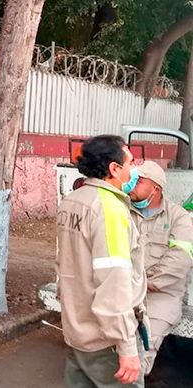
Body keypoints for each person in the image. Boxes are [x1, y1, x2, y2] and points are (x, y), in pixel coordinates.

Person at [56, 135, 147, 387]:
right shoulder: (110, 210)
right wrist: (127, 347)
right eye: (130, 162)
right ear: (114, 169)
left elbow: (63, 264)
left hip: (76, 330)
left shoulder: (72, 201)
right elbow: (113, 283)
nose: (134, 169)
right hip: (106, 340)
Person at [128, 161, 193, 375]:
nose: (132, 183)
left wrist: (139, 285)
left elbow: (178, 263)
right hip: (124, 294)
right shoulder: (123, 211)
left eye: (139, 180)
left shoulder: (179, 219)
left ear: (155, 188)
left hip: (160, 298)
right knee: (113, 349)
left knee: (140, 355)